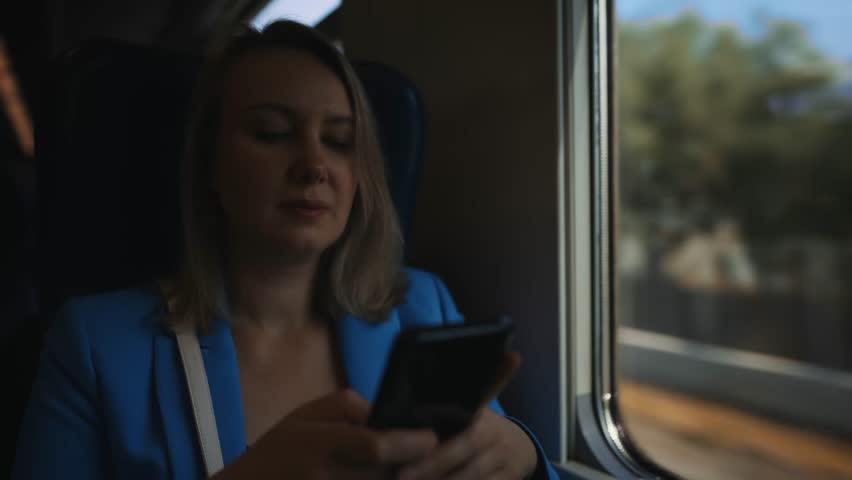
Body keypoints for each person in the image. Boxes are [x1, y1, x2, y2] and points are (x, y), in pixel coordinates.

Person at [13, 21, 558, 479]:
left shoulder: (422, 305)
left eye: (339, 142)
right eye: (273, 133)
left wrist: (526, 458)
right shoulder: (94, 344)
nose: (314, 165)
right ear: (209, 166)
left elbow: (494, 454)